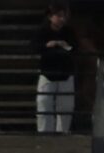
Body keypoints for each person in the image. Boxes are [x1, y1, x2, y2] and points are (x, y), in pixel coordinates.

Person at [34, 3, 76, 134]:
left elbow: (76, 48)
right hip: (48, 72)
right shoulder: (42, 31)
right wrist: (48, 46)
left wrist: (64, 45)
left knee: (66, 106)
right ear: (50, 17)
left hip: (65, 73)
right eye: (59, 16)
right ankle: (45, 133)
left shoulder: (68, 32)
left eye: (64, 16)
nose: (62, 19)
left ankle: (63, 133)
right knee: (44, 104)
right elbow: (34, 46)